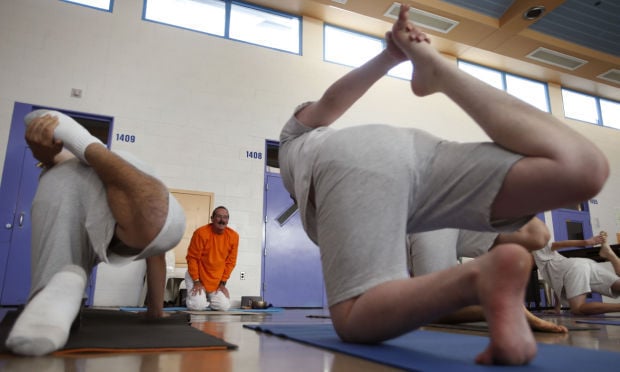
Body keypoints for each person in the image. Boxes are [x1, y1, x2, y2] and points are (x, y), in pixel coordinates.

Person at [278, 3, 608, 365]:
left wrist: (387, 57)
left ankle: (477, 278)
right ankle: (440, 73)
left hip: (356, 160)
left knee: (356, 319)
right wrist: (392, 55)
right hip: (411, 149)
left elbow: (332, 100)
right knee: (581, 170)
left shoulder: (295, 139)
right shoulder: (343, 188)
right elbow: (332, 103)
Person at [5, 110, 186, 357]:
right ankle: (59, 286)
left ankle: (63, 282)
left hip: (73, 181)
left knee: (59, 276)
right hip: (72, 186)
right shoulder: (77, 173)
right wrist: (156, 309)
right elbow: (157, 254)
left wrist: (51, 157)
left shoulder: (71, 170)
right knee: (161, 225)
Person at [407, 217, 568, 333]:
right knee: (432, 308)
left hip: (448, 209)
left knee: (538, 234)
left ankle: (495, 303)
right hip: (421, 216)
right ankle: (498, 307)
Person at [534, 231, 620, 315]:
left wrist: (587, 242)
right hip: (585, 264)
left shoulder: (539, 247)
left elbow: (559, 244)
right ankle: (610, 255)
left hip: (574, 268)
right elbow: (557, 286)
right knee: (617, 286)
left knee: (577, 308)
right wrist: (557, 308)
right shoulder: (543, 261)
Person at [184, 206, 238, 311]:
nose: (222, 220)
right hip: (197, 277)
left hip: (216, 280)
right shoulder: (201, 233)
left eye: (225, 217)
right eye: (219, 216)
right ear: (212, 218)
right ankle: (195, 299)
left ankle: (205, 298)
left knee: (223, 306)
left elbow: (231, 262)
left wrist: (223, 283)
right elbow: (192, 258)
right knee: (197, 306)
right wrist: (196, 281)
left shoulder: (233, 236)